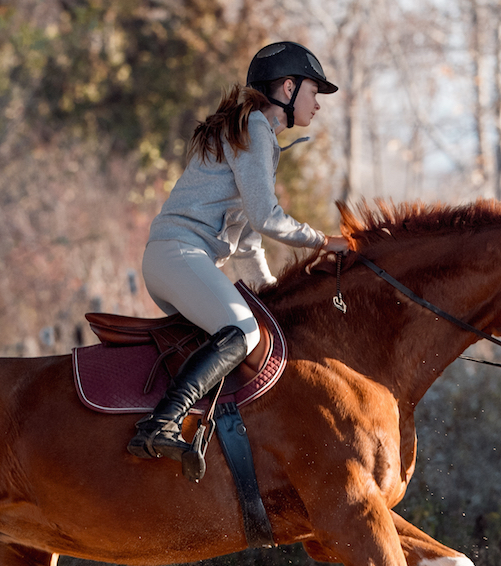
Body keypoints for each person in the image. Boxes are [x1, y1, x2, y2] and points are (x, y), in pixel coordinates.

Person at [127, 41, 352, 463]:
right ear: (288, 88)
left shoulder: (254, 132)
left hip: (177, 260)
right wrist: (324, 241)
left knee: (251, 326)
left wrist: (270, 290)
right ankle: (161, 424)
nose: (317, 105)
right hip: (179, 256)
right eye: (313, 92)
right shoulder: (256, 130)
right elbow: (268, 218)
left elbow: (248, 238)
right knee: (244, 333)